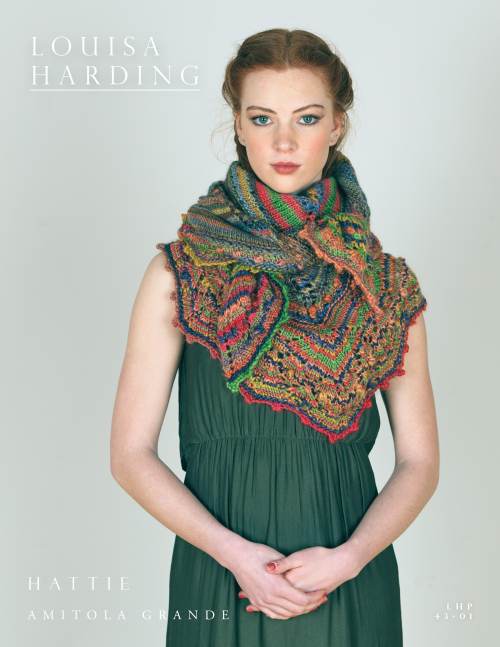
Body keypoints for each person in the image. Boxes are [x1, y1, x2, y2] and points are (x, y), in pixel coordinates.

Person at [110, 28, 439, 647]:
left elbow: (419, 463)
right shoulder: (180, 274)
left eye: (306, 118)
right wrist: (235, 556)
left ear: (337, 125)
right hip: (222, 577)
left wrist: (349, 559)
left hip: (348, 579)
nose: (283, 142)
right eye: (262, 118)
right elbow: (129, 455)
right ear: (238, 124)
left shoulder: (385, 286)